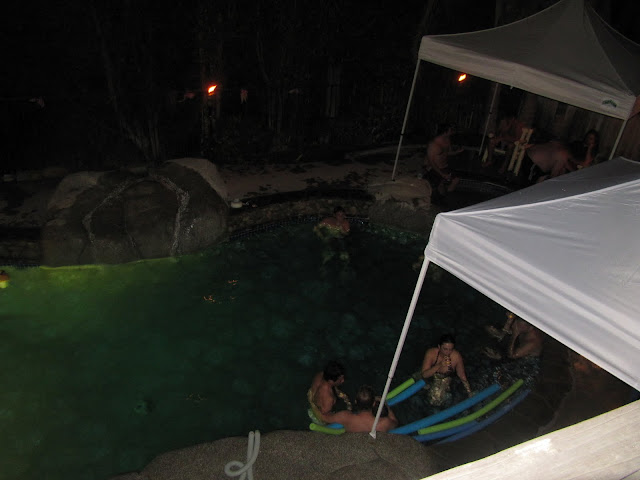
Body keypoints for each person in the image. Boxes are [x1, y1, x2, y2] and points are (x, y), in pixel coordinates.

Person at [320, 385, 398, 432]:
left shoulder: (345, 417)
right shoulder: (383, 423)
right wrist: (385, 404)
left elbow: (324, 418)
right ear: (374, 404)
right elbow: (395, 422)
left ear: (355, 401)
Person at [420, 334, 472, 406]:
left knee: (436, 399)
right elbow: (424, 375)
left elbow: (461, 375)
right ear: (439, 347)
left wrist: (469, 391)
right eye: (445, 349)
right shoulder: (431, 354)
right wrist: (439, 365)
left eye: (450, 349)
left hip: (445, 378)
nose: (447, 352)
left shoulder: (456, 357)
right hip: (430, 376)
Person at [423, 123, 464, 201]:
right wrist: (442, 174)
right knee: (440, 186)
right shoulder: (433, 144)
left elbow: (447, 153)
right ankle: (440, 197)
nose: (452, 131)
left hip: (444, 166)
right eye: (451, 130)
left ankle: (447, 196)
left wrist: (457, 152)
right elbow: (431, 162)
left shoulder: (447, 140)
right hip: (433, 168)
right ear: (445, 132)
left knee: (456, 180)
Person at [307, 360, 352, 424]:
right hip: (319, 417)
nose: (343, 381)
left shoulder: (320, 375)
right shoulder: (329, 399)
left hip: (312, 399)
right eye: (340, 379)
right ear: (331, 381)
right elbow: (324, 417)